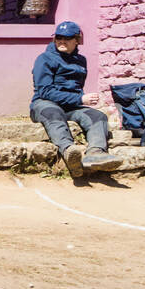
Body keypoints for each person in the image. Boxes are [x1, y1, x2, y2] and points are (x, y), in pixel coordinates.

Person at [30, 21, 122, 176]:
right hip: (44, 104)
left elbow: (76, 87)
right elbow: (45, 91)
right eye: (58, 37)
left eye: (66, 38)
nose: (61, 41)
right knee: (54, 113)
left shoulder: (81, 60)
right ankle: (69, 150)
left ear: (76, 40)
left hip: (71, 106)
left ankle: (96, 152)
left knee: (97, 116)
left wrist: (80, 99)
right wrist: (80, 99)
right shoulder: (44, 59)